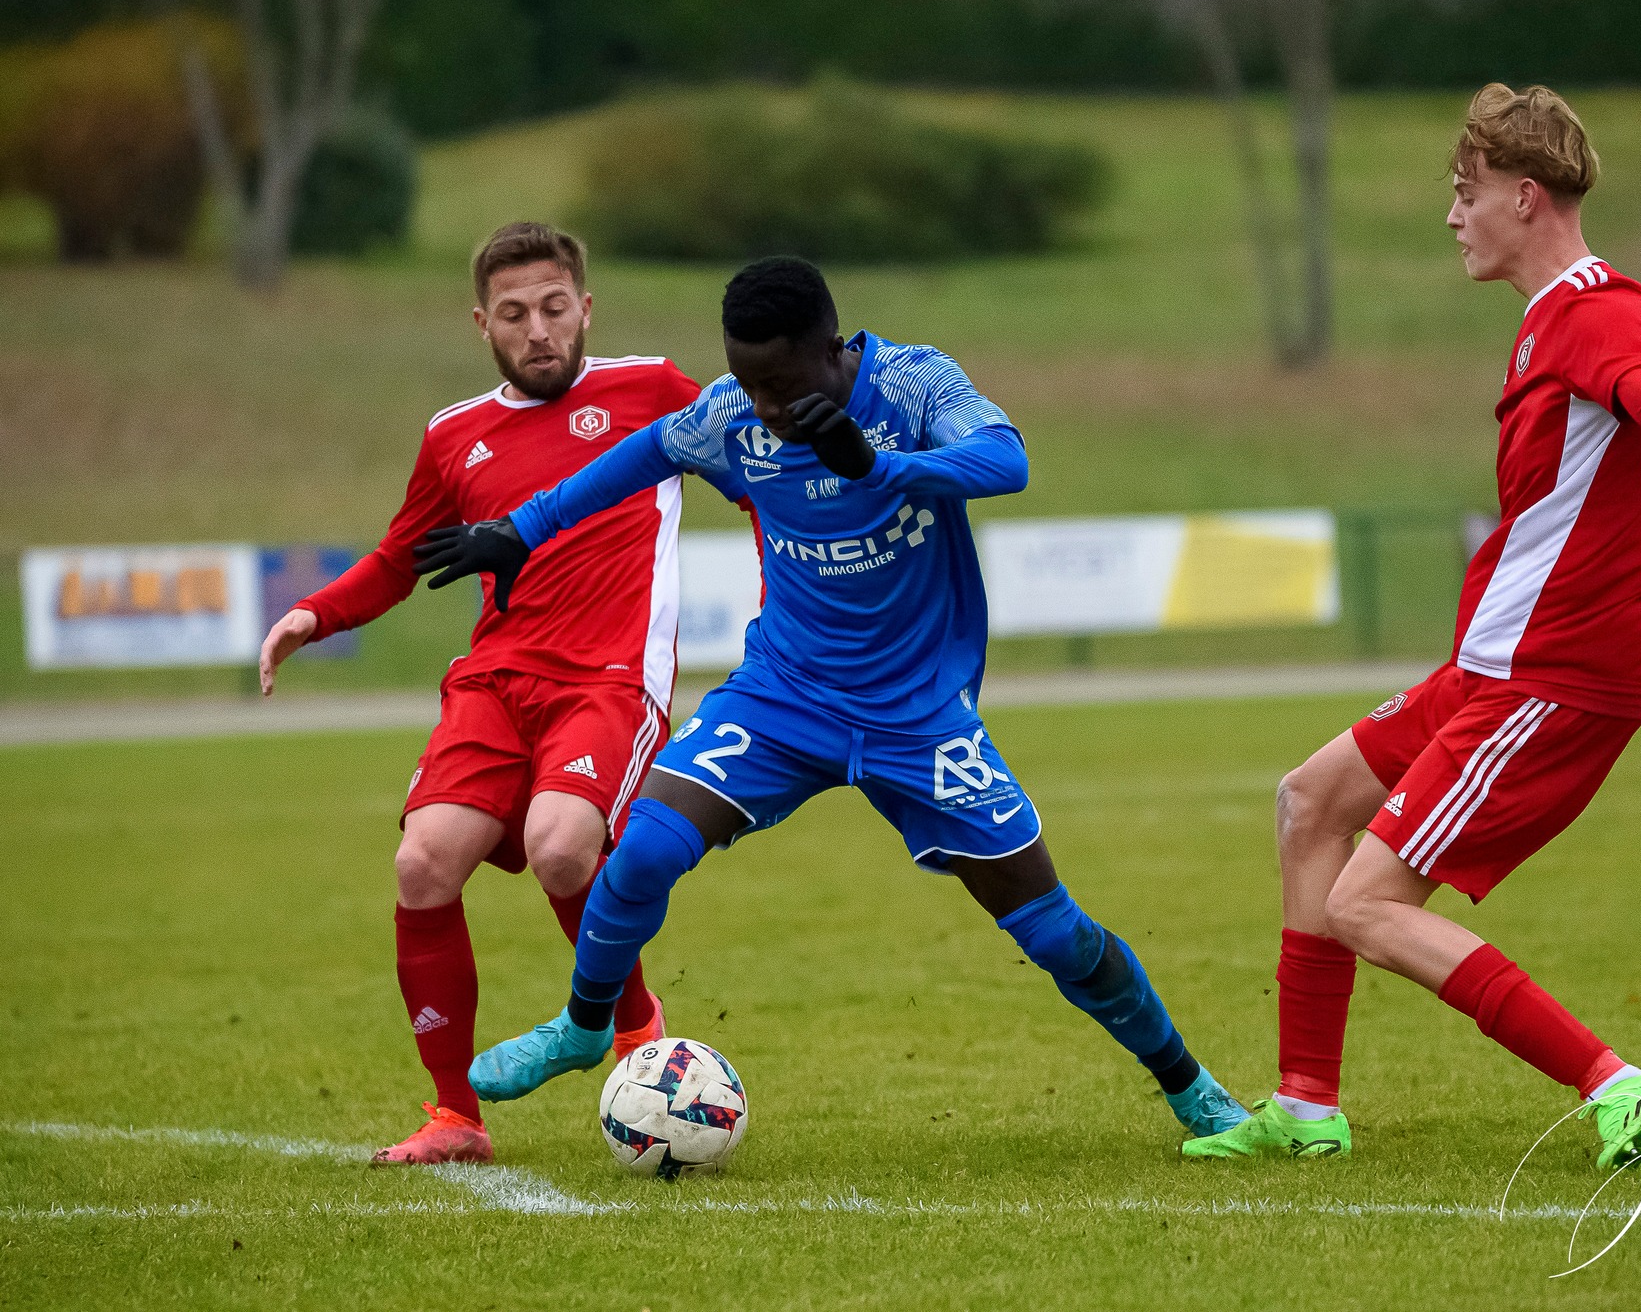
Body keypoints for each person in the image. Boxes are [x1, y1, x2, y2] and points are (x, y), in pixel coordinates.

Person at [413, 256, 1249, 1141]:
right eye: (747, 380)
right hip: (784, 697)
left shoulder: (916, 382)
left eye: (781, 381)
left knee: (1055, 934)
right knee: (644, 849)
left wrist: (880, 465)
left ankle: (1193, 1088)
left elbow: (1007, 459)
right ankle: (587, 1026)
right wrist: (521, 529)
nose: (765, 405)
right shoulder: (734, 415)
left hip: (917, 715)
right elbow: (643, 454)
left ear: (831, 346)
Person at [1183, 84, 1641, 1168]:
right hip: (1488, 666)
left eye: (1464, 193)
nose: (1451, 215)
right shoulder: (1543, 324)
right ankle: (1306, 1104)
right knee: (1308, 801)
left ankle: (1620, 1085)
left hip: (1550, 676)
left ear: (1525, 198)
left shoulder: (1596, 307)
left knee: (1365, 905)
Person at [260, 222, 697, 1165]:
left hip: (610, 678)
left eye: (552, 307)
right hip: (495, 682)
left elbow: (760, 466)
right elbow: (395, 558)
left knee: (561, 847)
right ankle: (455, 1117)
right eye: (513, 314)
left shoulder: (655, 392)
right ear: (482, 325)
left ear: (585, 307)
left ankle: (632, 1027)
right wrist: (315, 616)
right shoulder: (455, 434)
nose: (537, 330)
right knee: (422, 866)